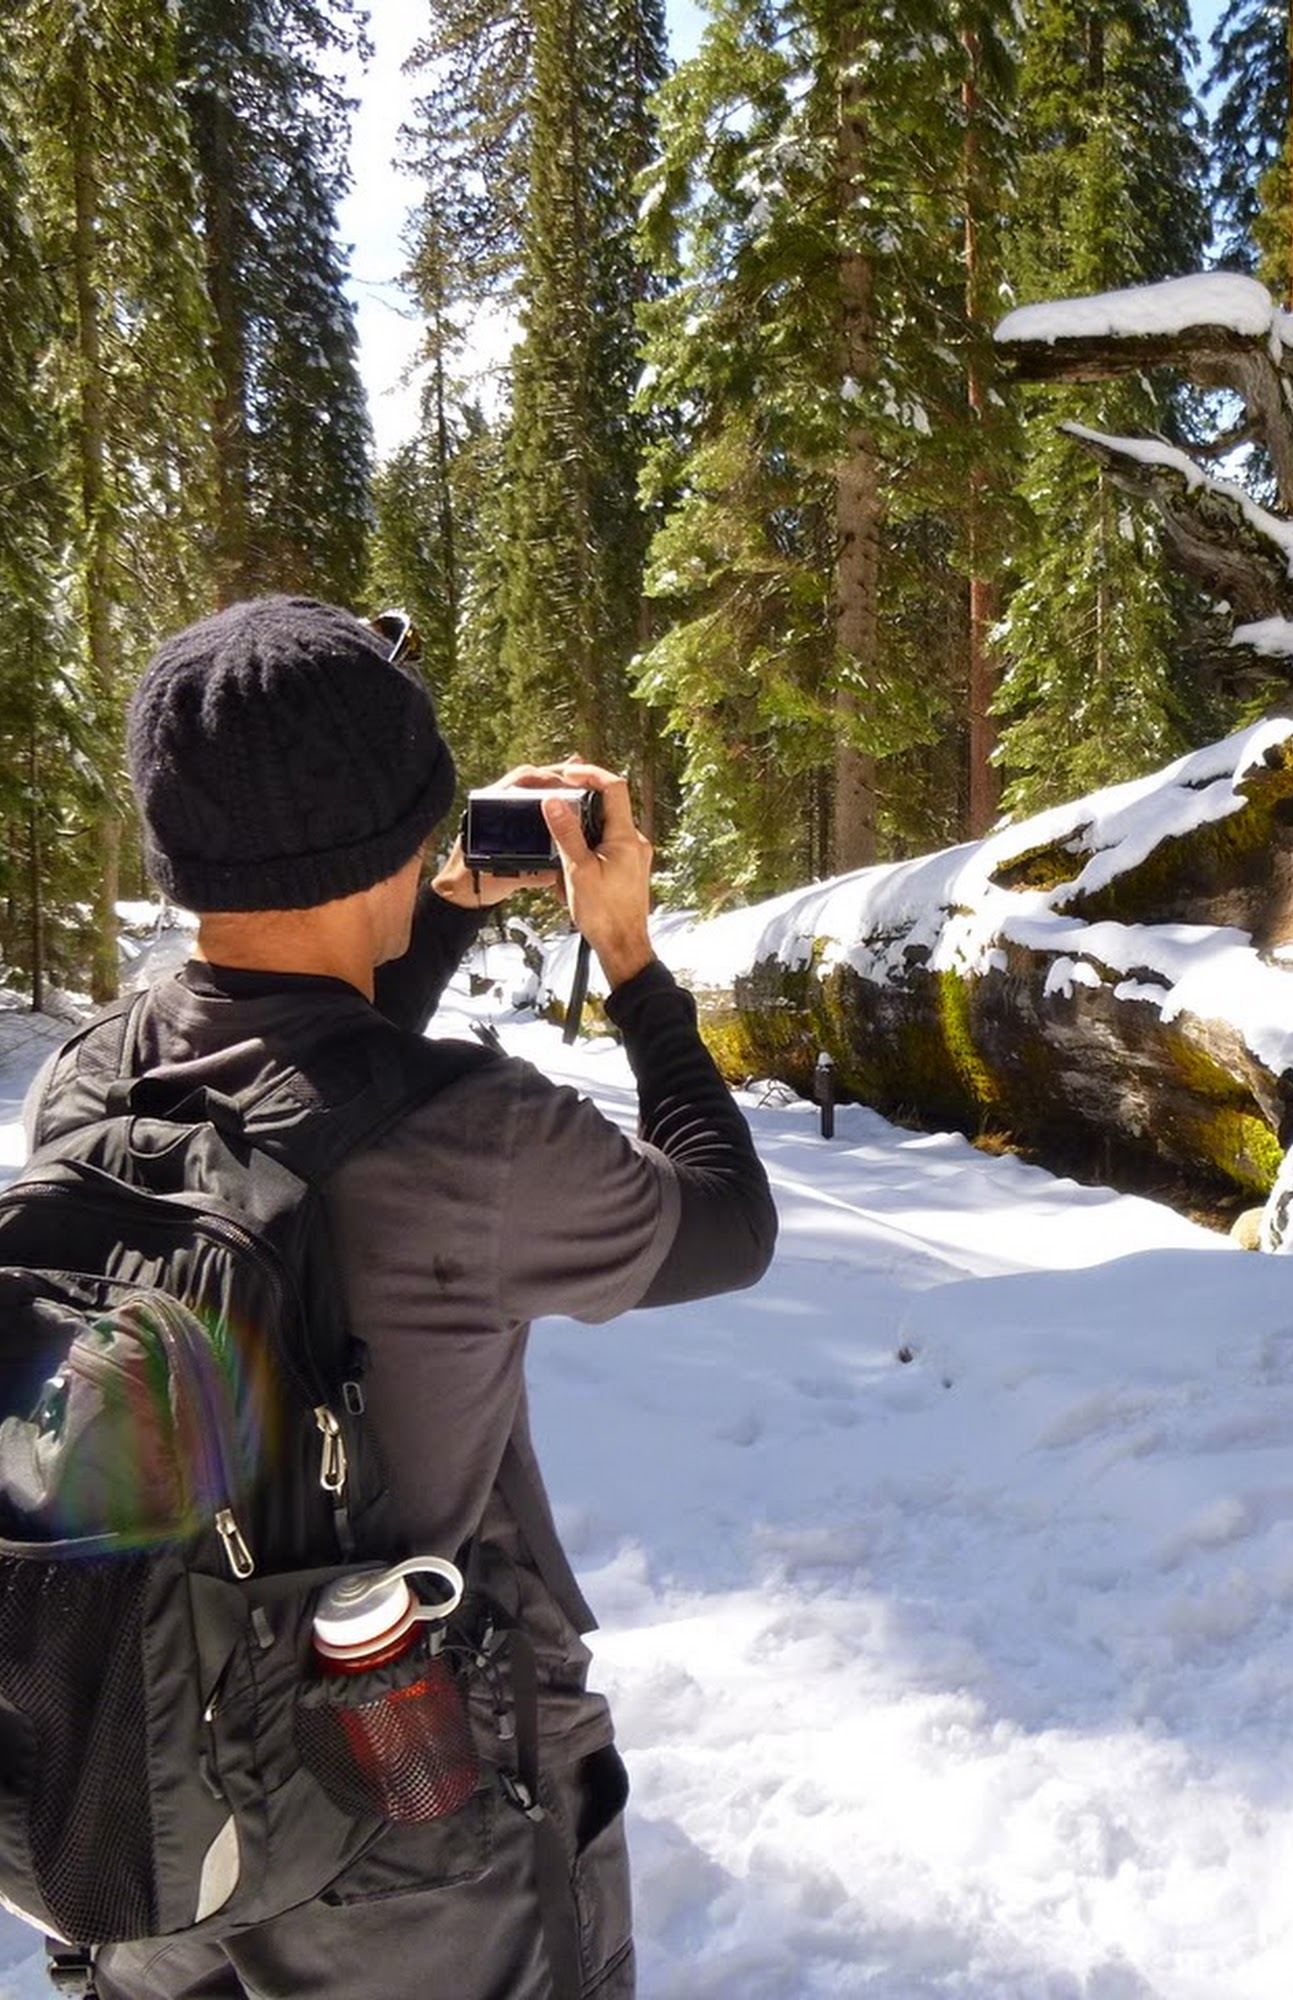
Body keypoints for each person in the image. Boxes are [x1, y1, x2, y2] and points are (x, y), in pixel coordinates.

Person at [25, 595, 778, 1998]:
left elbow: (300, 1066)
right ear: (410, 837)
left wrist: (420, 912)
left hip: (139, 1785)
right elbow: (727, 1227)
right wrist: (632, 959)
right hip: (405, 1814)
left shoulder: (91, 1076)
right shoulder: (480, 1139)